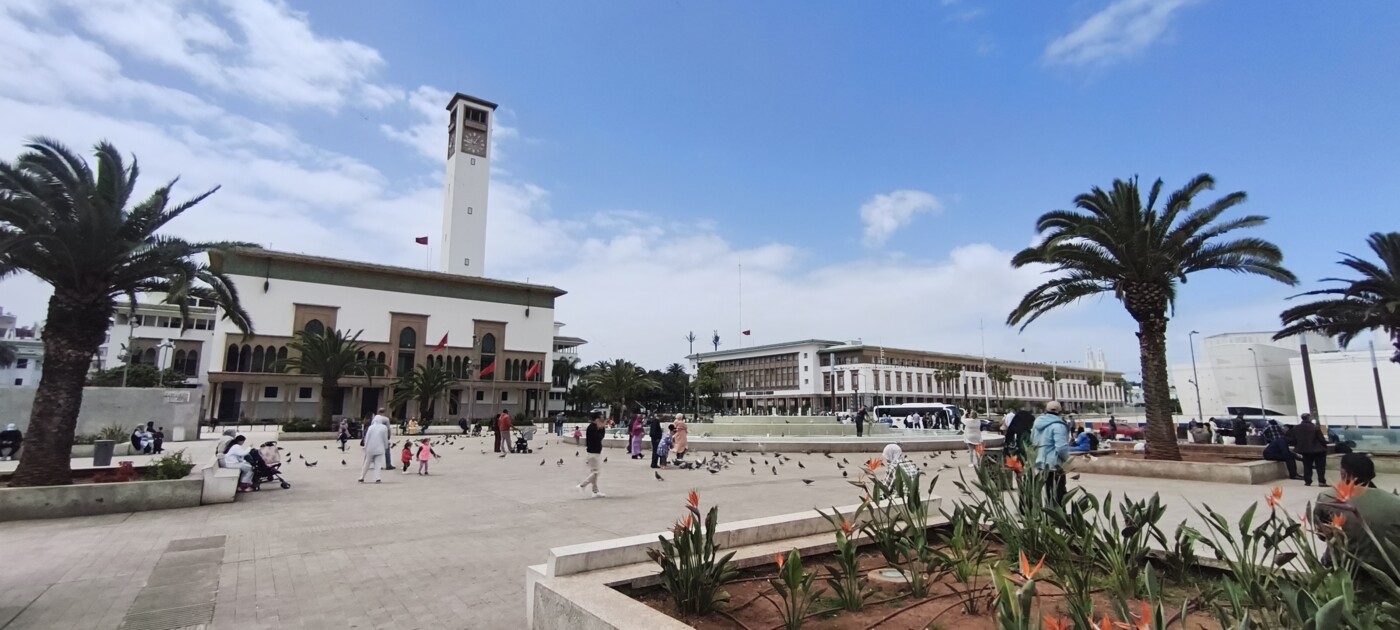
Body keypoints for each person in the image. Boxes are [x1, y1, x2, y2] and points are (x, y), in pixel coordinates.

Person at [1315, 453, 1400, 576]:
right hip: (1390, 570)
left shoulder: (1327, 497)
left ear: (1343, 473)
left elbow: (1322, 534)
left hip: (1344, 567)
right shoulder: (1395, 501)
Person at [1031, 401, 1072, 505]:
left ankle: (1049, 511)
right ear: (1060, 411)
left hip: (1040, 463)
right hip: (1054, 465)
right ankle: (1057, 513)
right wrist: (1068, 460)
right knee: (1058, 495)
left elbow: (1032, 440)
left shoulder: (1037, 423)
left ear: (1046, 410)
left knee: (1048, 491)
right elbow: (1061, 448)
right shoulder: (1059, 425)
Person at [575, 412, 607, 498]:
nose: (602, 421)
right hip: (593, 453)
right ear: (596, 419)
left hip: (594, 452)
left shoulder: (594, 427)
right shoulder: (592, 428)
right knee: (596, 472)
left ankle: (595, 491)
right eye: (600, 419)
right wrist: (601, 428)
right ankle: (582, 485)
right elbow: (599, 438)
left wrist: (601, 428)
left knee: (594, 472)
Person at [1293, 413, 1328, 487]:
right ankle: (1321, 481)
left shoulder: (1296, 428)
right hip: (1318, 450)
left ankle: (1308, 481)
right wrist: (1325, 445)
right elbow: (1321, 439)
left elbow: (1294, 440)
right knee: (1320, 467)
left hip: (1305, 450)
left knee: (1307, 466)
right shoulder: (1315, 427)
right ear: (1309, 418)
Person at [358, 416, 390, 483]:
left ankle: (362, 477)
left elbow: (367, 438)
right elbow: (385, 438)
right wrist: (386, 446)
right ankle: (377, 478)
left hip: (370, 448)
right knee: (378, 463)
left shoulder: (371, 427)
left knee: (367, 463)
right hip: (380, 448)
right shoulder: (384, 428)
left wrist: (365, 446)